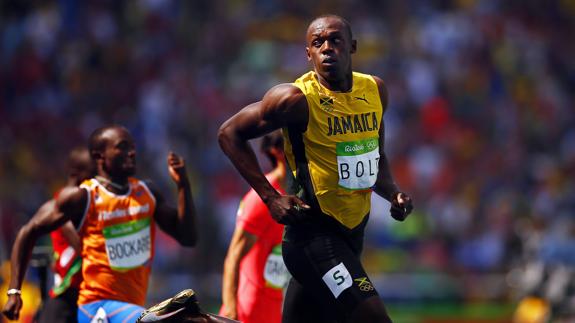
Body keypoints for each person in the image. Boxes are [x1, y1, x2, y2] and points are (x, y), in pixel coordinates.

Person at [218, 14, 413, 323]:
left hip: (352, 236)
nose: (326, 49)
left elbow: (377, 155)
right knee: (373, 318)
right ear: (308, 54)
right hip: (312, 237)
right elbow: (229, 134)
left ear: (352, 46)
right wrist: (270, 198)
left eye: (335, 40)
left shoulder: (374, 91)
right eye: (317, 43)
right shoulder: (296, 100)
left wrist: (393, 193)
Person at [2, 125, 199, 323]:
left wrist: (183, 185)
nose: (131, 152)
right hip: (96, 307)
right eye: (122, 147)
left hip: (132, 307)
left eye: (132, 147)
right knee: (161, 319)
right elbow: (28, 231)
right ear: (99, 157)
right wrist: (14, 291)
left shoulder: (147, 193)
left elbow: (188, 238)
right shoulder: (83, 197)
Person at [219, 130, 290, 323]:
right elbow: (233, 256)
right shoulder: (262, 199)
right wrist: (231, 313)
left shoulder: (298, 195)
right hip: (246, 313)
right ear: (277, 151)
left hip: (274, 314)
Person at [38, 147, 95, 323]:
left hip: (88, 289)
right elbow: (81, 246)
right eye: (92, 174)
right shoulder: (62, 202)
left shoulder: (88, 202)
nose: (97, 180)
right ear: (75, 173)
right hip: (67, 287)